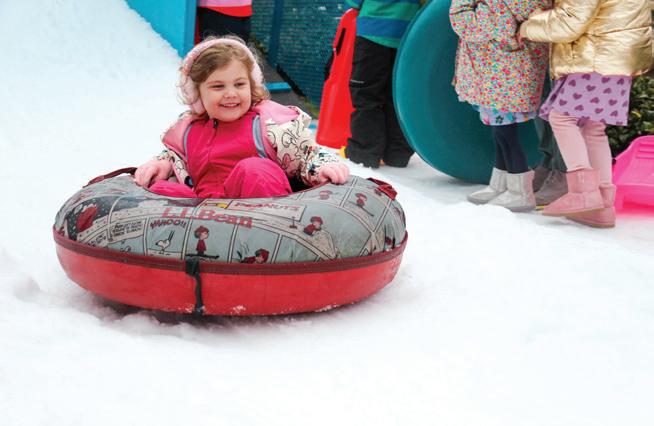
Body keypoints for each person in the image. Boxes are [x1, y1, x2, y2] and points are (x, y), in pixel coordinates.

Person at [134, 36, 350, 200]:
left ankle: (266, 239)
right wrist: (162, 164)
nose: (231, 93)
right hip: (203, 216)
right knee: (161, 191)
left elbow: (306, 154)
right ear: (198, 93)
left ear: (251, 86)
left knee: (254, 170)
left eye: (239, 84)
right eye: (218, 86)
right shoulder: (189, 130)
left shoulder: (268, 125)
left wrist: (322, 166)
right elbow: (175, 156)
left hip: (259, 215)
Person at [520, 0, 652, 227]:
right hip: (620, 56)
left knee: (562, 117)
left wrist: (528, 26)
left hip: (596, 56)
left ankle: (583, 192)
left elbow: (570, 22)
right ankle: (603, 206)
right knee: (594, 128)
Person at [450, 0, 550, 212]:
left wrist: (483, 8)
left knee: (505, 132)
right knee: (500, 130)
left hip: (503, 70)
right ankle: (500, 183)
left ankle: (520, 190)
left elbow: (470, 21)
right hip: (495, 69)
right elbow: (466, 18)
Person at [343, 0, 422, 169]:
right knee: (398, 98)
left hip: (373, 32)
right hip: (408, 35)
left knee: (366, 95)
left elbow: (354, 2)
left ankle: (365, 152)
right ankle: (397, 154)